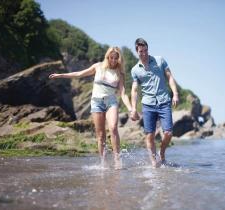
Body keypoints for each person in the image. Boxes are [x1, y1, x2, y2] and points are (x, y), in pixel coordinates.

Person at [49, 47, 132, 169]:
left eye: (116, 58)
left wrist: (130, 108)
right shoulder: (98, 66)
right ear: (107, 56)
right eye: (111, 57)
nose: (114, 60)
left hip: (111, 102)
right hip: (96, 102)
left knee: (113, 128)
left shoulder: (120, 72)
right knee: (100, 135)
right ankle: (103, 163)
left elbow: (123, 93)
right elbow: (79, 74)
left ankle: (117, 160)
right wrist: (61, 75)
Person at [130, 38, 179, 168]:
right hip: (148, 104)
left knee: (168, 133)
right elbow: (134, 90)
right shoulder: (135, 70)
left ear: (148, 49)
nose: (144, 53)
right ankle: (154, 163)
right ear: (137, 51)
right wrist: (133, 109)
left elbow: (169, 77)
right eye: (141, 51)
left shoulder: (160, 60)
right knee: (149, 135)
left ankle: (161, 153)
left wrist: (175, 94)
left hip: (164, 101)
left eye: (146, 50)